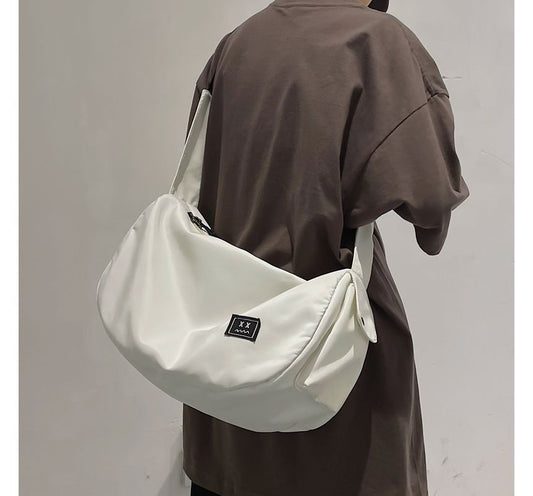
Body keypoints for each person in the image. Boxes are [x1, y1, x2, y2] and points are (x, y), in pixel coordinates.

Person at [182, 0, 470, 495]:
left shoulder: (236, 45)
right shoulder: (376, 43)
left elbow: (203, 179)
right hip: (330, 365)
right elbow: (430, 206)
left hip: (226, 358)